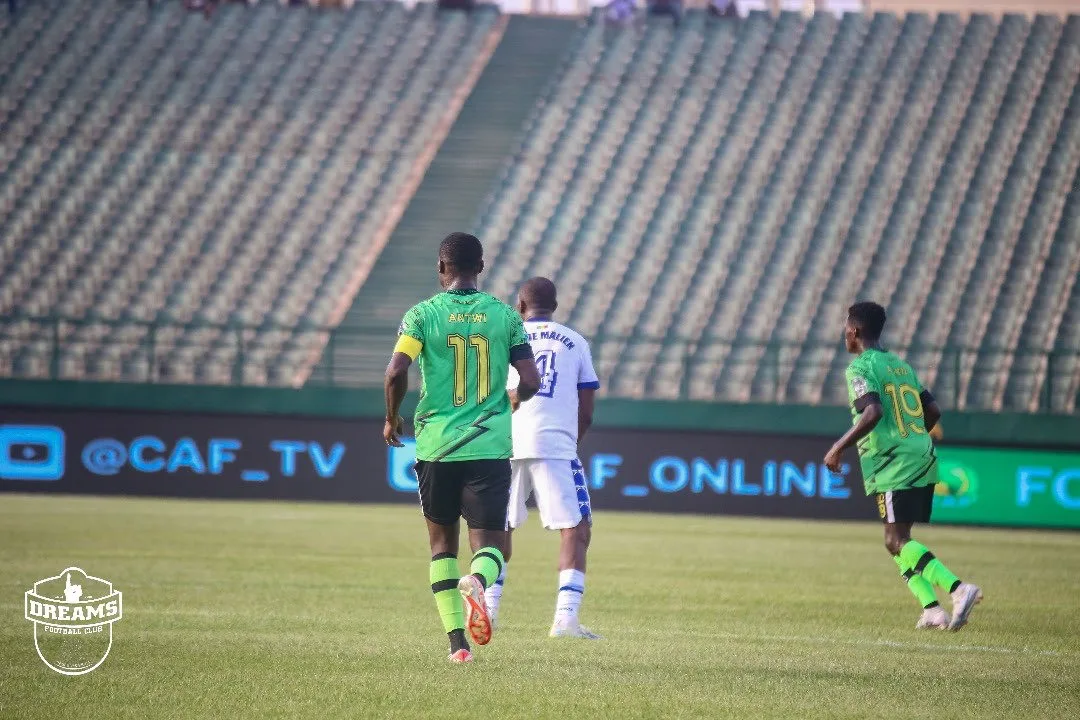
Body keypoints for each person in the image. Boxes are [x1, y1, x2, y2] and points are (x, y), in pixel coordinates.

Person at [384, 232, 541, 664]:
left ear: (441, 267)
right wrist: (514, 399)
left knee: (441, 546)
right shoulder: (505, 317)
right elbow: (531, 380)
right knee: (492, 546)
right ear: (481, 267)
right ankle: (478, 580)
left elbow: (396, 371)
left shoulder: (421, 316)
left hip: (436, 446)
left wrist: (392, 416)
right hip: (488, 445)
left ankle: (457, 646)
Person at [824, 302, 982, 631]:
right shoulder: (901, 365)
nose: (844, 334)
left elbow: (872, 413)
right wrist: (912, 437)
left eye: (846, 328)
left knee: (896, 541)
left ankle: (958, 588)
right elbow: (933, 410)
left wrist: (838, 448)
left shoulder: (859, 368)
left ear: (854, 331)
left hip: (894, 462)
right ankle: (932, 609)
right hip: (920, 454)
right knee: (897, 540)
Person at [484, 277, 601, 639]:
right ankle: (565, 620)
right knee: (575, 529)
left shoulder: (503, 338)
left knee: (499, 526)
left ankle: (488, 611)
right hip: (554, 445)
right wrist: (569, 442)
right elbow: (586, 411)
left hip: (504, 443)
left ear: (520, 306)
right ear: (555, 307)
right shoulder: (575, 341)